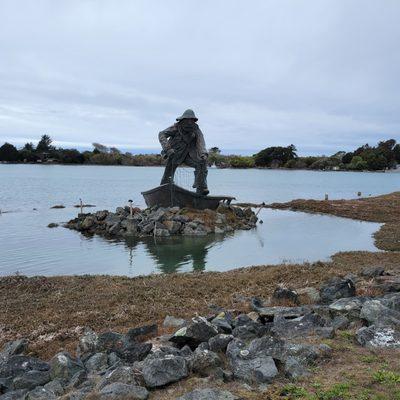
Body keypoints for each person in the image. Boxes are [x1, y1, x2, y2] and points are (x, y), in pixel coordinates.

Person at [158, 109, 209, 195]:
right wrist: (167, 149)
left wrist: (203, 153)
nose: (189, 123)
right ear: (183, 120)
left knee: (201, 163)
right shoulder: (176, 127)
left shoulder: (196, 129)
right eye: (187, 120)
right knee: (168, 175)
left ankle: (201, 188)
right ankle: (163, 192)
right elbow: (161, 134)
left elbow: (201, 142)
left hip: (189, 155)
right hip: (174, 154)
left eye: (191, 120)